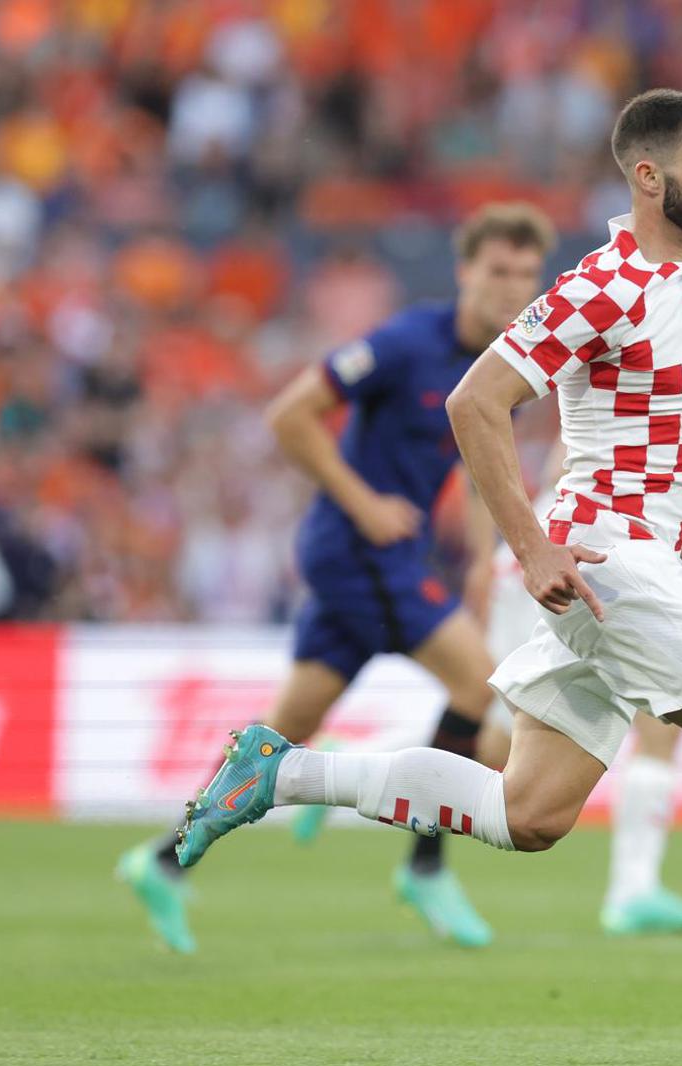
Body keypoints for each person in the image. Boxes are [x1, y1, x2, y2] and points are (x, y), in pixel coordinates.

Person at [173, 89, 682, 1065]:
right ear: (650, 177)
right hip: (603, 550)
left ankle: (278, 771)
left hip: (635, 558)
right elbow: (476, 401)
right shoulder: (601, 286)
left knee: (527, 813)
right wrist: (531, 546)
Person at [117, 202, 558, 954]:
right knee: (478, 690)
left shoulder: (500, 365)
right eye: (496, 271)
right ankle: (421, 863)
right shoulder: (403, 342)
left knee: (281, 733)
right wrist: (364, 501)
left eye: (524, 274)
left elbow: (489, 473)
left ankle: (161, 858)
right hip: (357, 548)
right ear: (464, 272)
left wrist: (486, 558)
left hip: (388, 556)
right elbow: (290, 414)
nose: (510, 287)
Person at [486, 464, 682, 936]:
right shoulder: (640, 403)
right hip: (579, 553)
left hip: (558, 551)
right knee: (502, 744)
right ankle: (633, 891)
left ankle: (636, 889)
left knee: (502, 739)